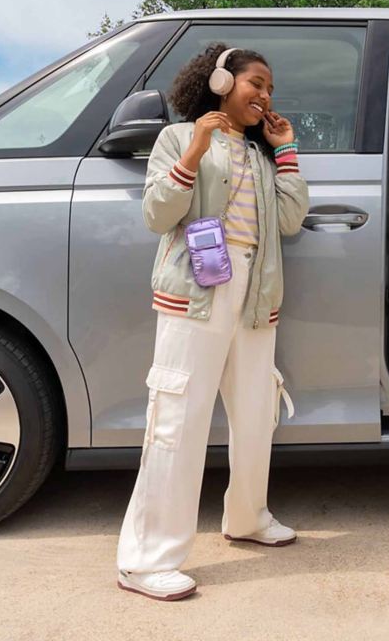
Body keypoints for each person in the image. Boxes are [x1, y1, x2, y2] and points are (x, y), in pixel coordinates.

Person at [116, 44, 309, 601]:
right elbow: (157, 214)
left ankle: (246, 517)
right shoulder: (177, 138)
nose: (266, 95)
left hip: (255, 295)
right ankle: (145, 559)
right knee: (178, 415)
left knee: (255, 413)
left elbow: (291, 219)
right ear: (221, 81)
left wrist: (287, 149)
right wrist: (196, 148)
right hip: (197, 293)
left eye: (271, 88)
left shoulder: (263, 153)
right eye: (257, 83)